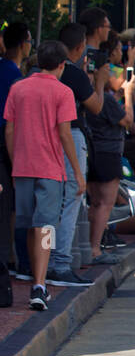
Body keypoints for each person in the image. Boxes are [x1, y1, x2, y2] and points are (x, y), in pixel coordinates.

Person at [4, 40, 77, 310]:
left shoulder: (18, 88)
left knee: (26, 223)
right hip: (50, 169)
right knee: (46, 227)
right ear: (62, 64)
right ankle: (40, 284)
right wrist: (78, 174)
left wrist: (15, 163)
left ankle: (28, 272)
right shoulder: (63, 91)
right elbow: (65, 134)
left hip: (22, 167)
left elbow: (9, 131)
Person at [49, 23, 107, 287]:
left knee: (45, 210)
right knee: (71, 200)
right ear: (80, 47)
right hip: (66, 140)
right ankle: (58, 263)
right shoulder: (69, 80)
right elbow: (71, 125)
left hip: (37, 147)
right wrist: (101, 84)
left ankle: (38, 264)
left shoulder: (24, 83)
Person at [85, 51, 135, 266]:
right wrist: (128, 94)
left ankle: (92, 246)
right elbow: (128, 121)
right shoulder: (105, 99)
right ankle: (95, 249)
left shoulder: (94, 96)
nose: (121, 78)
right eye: (116, 74)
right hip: (107, 153)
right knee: (104, 203)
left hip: (95, 151)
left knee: (97, 203)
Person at [0, 21, 33, 307]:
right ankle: (13, 257)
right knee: (12, 207)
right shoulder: (12, 75)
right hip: (6, 151)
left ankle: (11, 256)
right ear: (25, 43)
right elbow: (10, 124)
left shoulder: (10, 72)